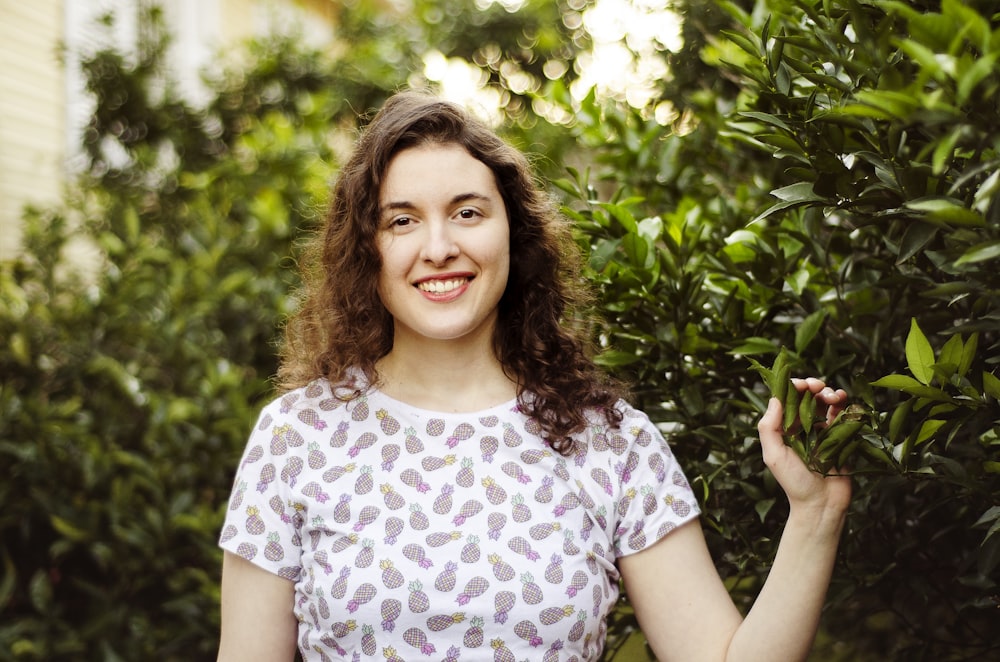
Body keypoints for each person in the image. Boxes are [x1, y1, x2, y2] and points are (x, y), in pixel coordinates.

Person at [217, 91, 851, 662]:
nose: (438, 247)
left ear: (513, 236)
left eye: (467, 213)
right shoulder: (297, 437)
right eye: (401, 220)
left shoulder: (608, 440)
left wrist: (815, 513)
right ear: (367, 248)